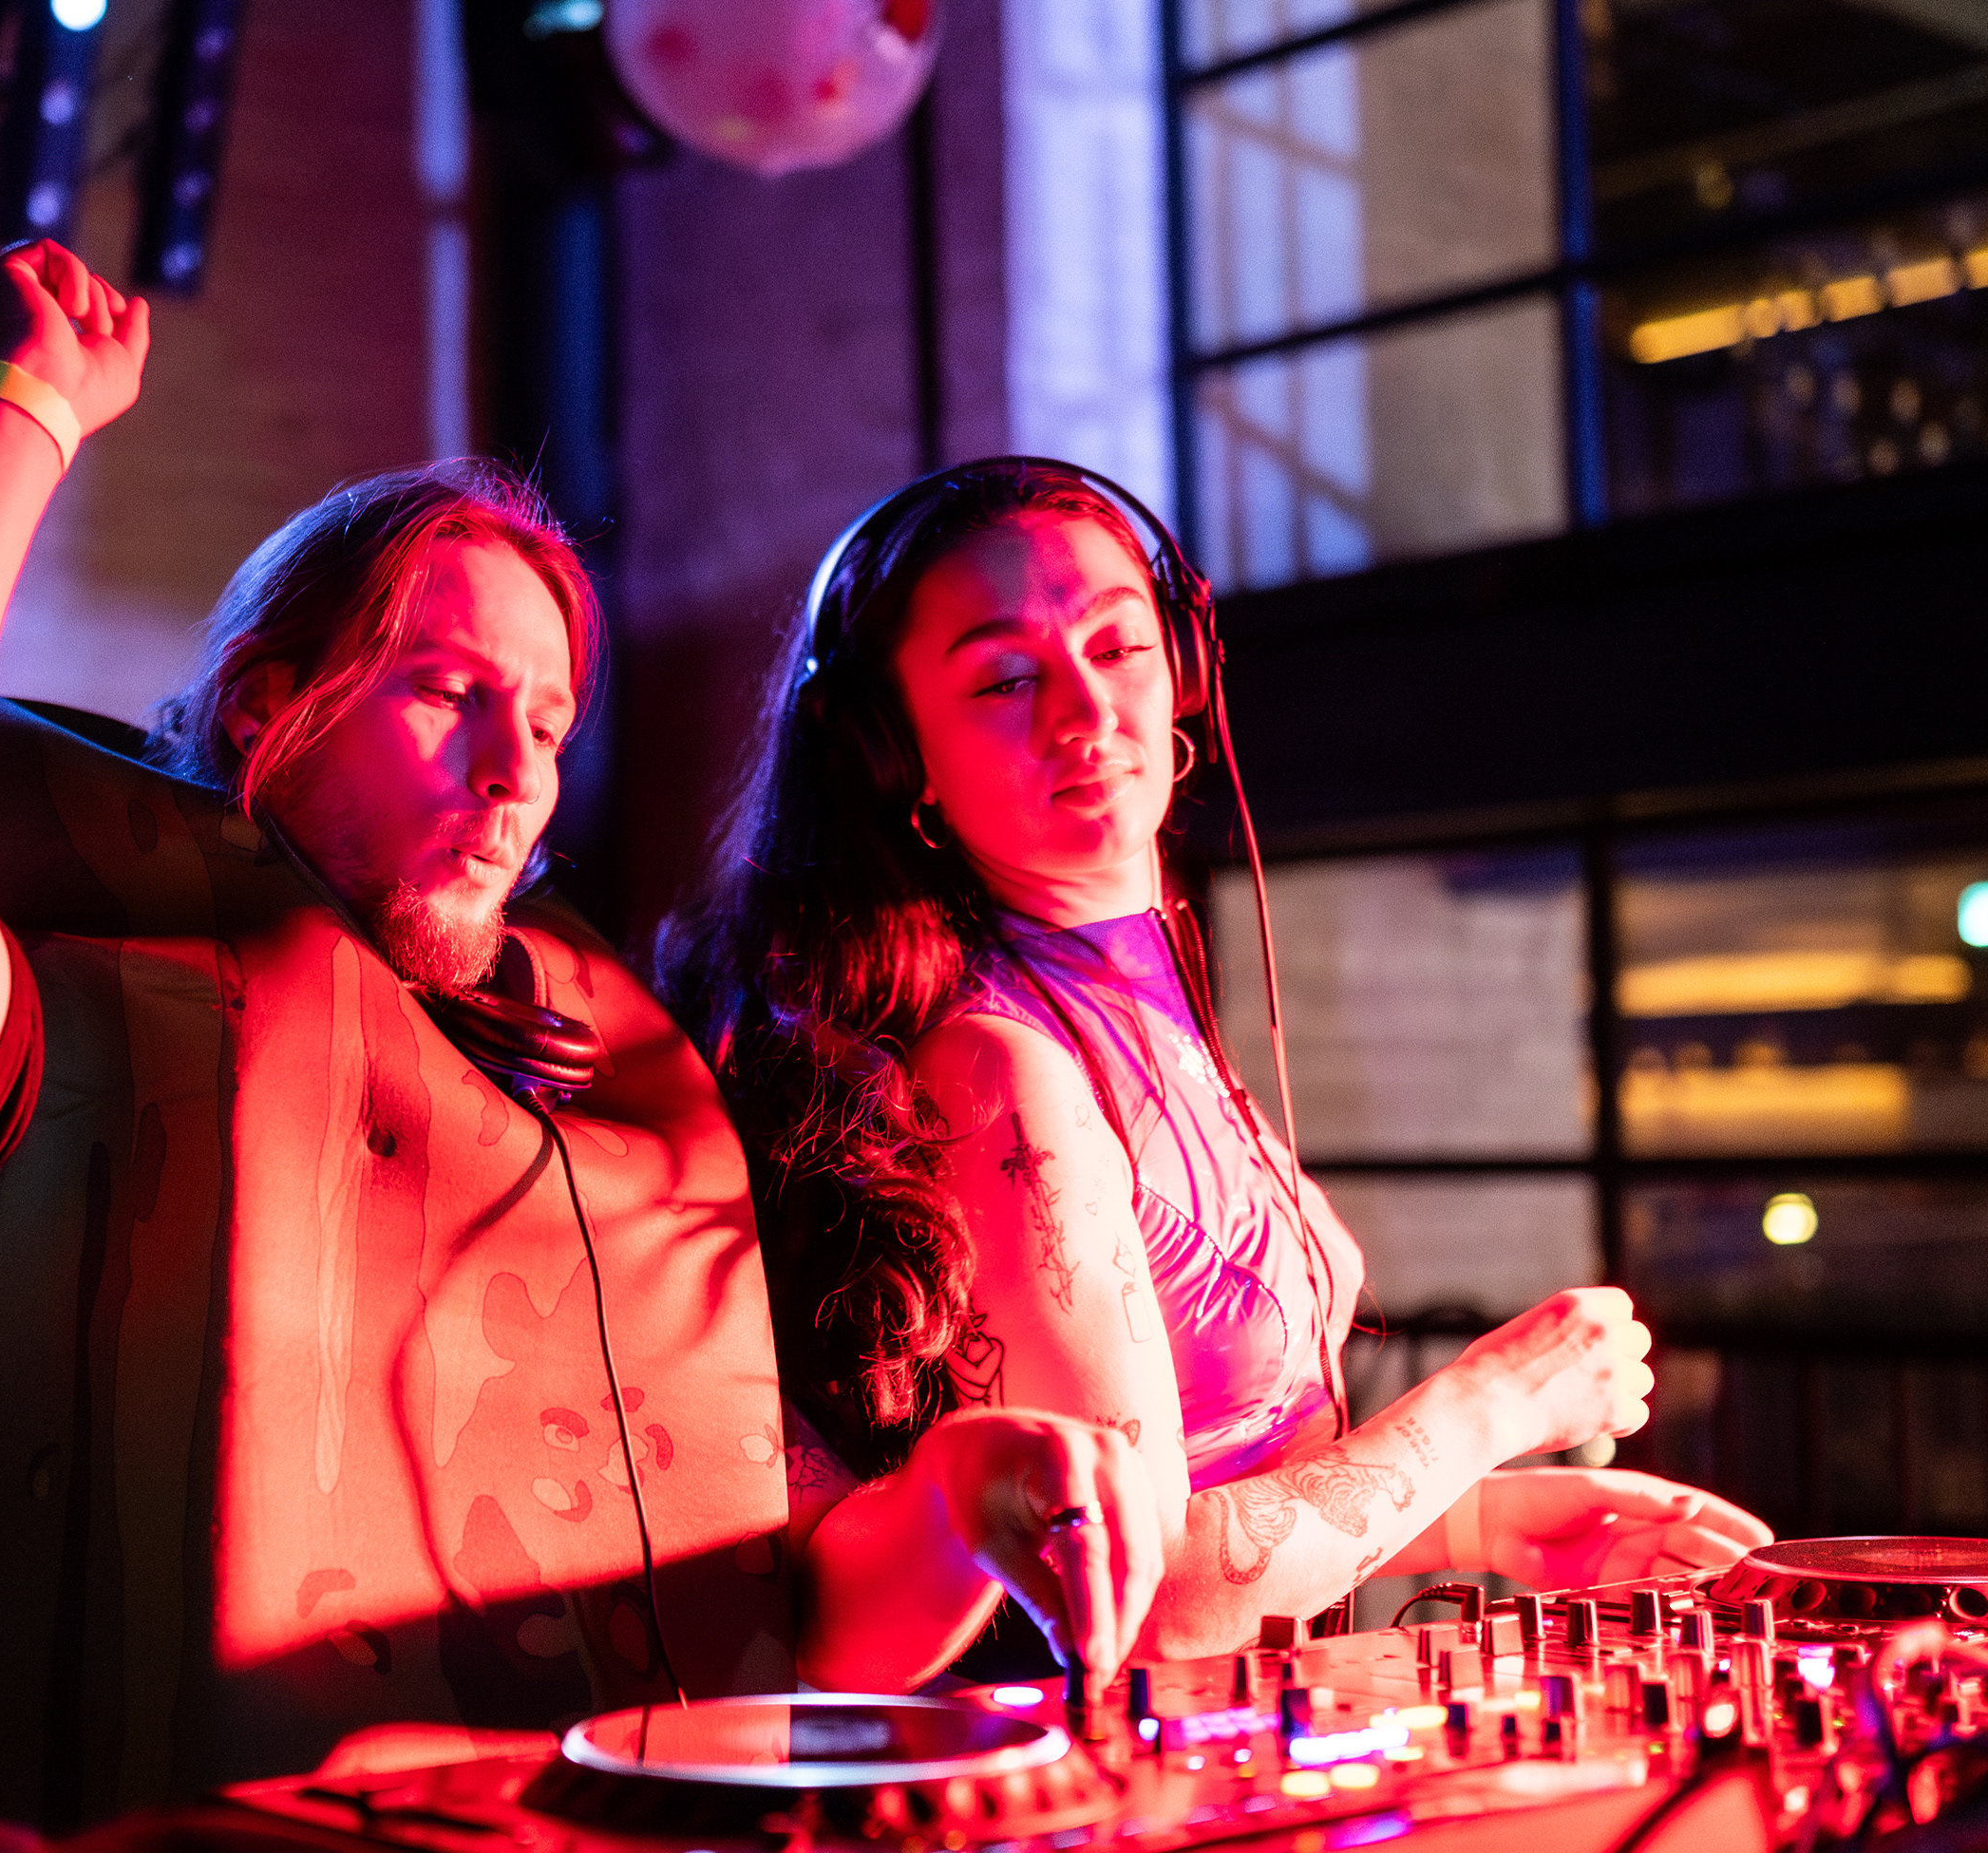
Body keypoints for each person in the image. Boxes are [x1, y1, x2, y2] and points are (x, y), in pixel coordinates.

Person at [0, 247, 1143, 1825]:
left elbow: (779, 1631)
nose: (514, 774)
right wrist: (21, 406)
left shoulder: (612, 1103)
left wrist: (965, 1499)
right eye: (449, 694)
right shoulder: (77, 1004)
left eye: (547, 723)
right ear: (265, 709)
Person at [663, 457, 1771, 1687]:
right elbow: (1141, 1594)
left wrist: (1490, 1524)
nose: (1085, 712)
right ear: (889, 749)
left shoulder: (1132, 1003)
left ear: (1184, 670)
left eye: (1118, 647)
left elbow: (1226, 1475)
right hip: (1111, 1779)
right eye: (1006, 678)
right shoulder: (996, 1069)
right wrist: (1493, 1405)